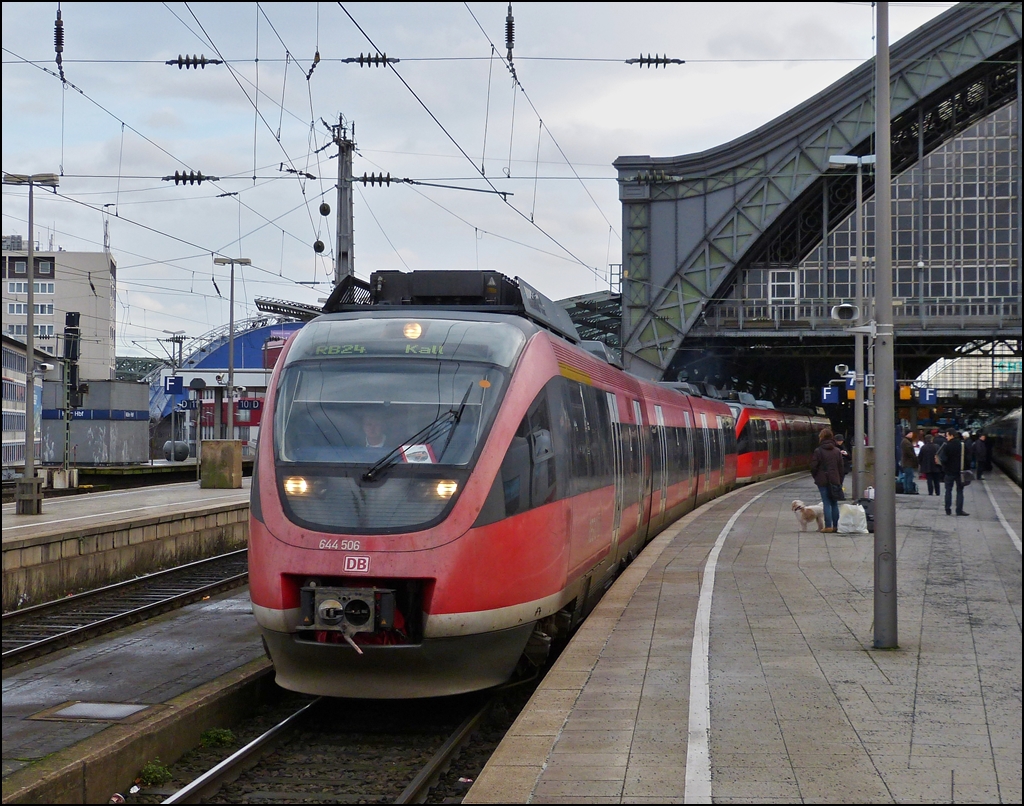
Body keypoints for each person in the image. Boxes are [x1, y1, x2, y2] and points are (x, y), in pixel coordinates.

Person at [810, 427, 845, 533]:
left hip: (822, 480)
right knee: (834, 503)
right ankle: (836, 526)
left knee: (826, 503)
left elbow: (813, 466)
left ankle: (828, 526)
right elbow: (841, 468)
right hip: (835, 479)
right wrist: (839, 480)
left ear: (821, 437)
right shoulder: (837, 451)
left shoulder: (818, 451)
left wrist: (816, 477)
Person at [936, 428, 968, 516]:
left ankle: (948, 509)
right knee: (960, 491)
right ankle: (959, 510)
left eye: (947, 435)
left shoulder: (947, 445)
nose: (946, 437)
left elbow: (944, 459)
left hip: (949, 471)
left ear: (951, 435)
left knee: (948, 490)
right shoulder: (962, 445)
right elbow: (967, 458)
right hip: (960, 471)